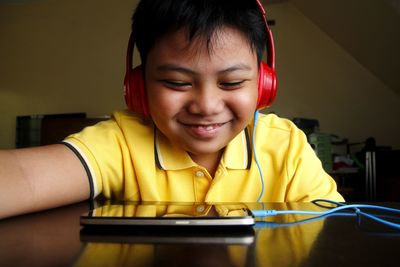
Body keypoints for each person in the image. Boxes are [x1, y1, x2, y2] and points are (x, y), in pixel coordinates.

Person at [0, 0, 344, 220]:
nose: (206, 106)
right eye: (178, 83)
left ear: (264, 84)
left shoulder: (286, 147)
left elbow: (335, 237)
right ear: (138, 86)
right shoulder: (121, 142)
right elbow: (25, 179)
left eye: (232, 83)